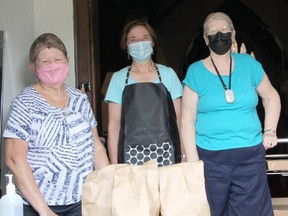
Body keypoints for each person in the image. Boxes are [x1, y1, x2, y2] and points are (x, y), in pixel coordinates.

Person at [181, 12, 281, 216]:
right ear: (205, 38)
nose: (219, 35)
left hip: (249, 155)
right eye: (213, 31)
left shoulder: (250, 65)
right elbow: (187, 120)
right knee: (210, 210)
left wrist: (270, 130)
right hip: (210, 157)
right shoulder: (195, 72)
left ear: (233, 34)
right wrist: (193, 162)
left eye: (225, 30)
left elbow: (271, 97)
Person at [3, 33, 109, 216]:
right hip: (38, 205)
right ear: (33, 67)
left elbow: (96, 147)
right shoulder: (24, 103)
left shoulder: (80, 99)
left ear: (67, 61)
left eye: (57, 59)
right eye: (45, 62)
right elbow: (14, 159)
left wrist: (108, 186)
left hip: (83, 200)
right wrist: (45, 211)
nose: (52, 66)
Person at [105, 19, 184, 167]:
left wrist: (184, 156)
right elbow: (114, 126)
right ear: (127, 46)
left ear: (153, 42)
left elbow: (179, 121)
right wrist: (114, 166)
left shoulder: (168, 75)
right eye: (133, 40)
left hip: (167, 153)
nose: (139, 43)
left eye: (144, 38)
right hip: (130, 155)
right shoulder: (118, 79)